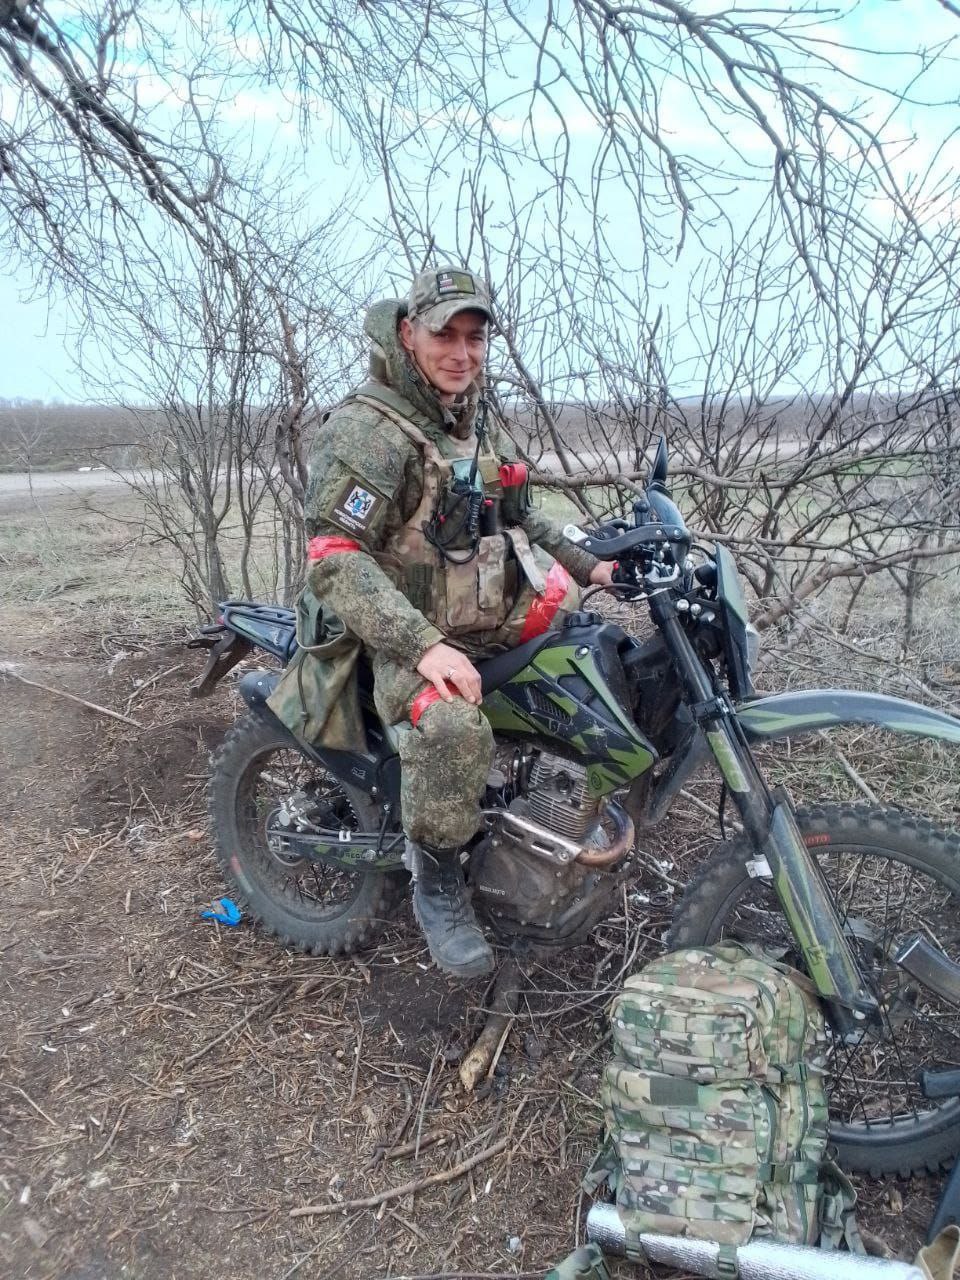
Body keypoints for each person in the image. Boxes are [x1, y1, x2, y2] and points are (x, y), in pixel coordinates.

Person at [298, 266, 612, 978]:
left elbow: (520, 516)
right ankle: (437, 879)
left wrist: (593, 566)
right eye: (446, 336)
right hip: (396, 632)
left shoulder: (468, 418)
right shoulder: (368, 431)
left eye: (475, 338)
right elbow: (335, 559)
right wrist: (423, 646)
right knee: (451, 728)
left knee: (584, 656)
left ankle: (538, 813)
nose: (462, 353)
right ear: (409, 334)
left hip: (478, 617)